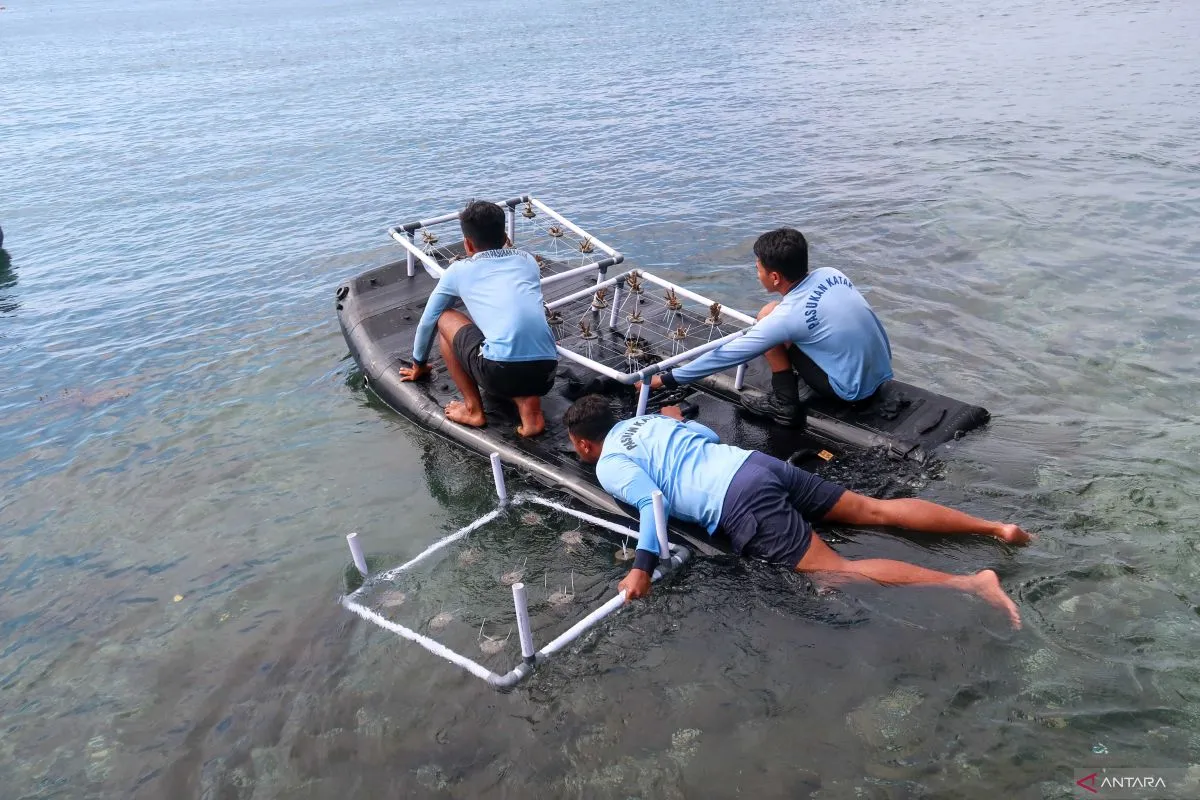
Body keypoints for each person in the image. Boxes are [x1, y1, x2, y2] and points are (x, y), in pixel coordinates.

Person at [562, 395, 1030, 627]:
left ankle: (971, 583)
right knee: (874, 509)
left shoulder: (609, 464)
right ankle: (995, 527)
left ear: (583, 443)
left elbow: (652, 503)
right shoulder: (648, 421)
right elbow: (706, 437)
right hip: (755, 464)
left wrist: (641, 569)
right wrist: (675, 425)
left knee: (835, 571)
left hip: (737, 500)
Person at [646, 227, 893, 427]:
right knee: (774, 312)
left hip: (850, 391)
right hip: (882, 370)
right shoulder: (830, 273)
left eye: (758, 270)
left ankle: (784, 404)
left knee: (767, 318)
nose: (757, 275)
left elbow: (730, 354)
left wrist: (667, 378)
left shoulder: (787, 317)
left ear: (774, 277)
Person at [400, 200, 558, 437]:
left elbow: (427, 321)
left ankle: (473, 410)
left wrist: (419, 364)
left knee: (445, 318)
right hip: (546, 371)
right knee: (517, 337)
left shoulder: (458, 271)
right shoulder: (527, 261)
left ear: (467, 244)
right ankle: (530, 413)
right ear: (505, 236)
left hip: (499, 371)